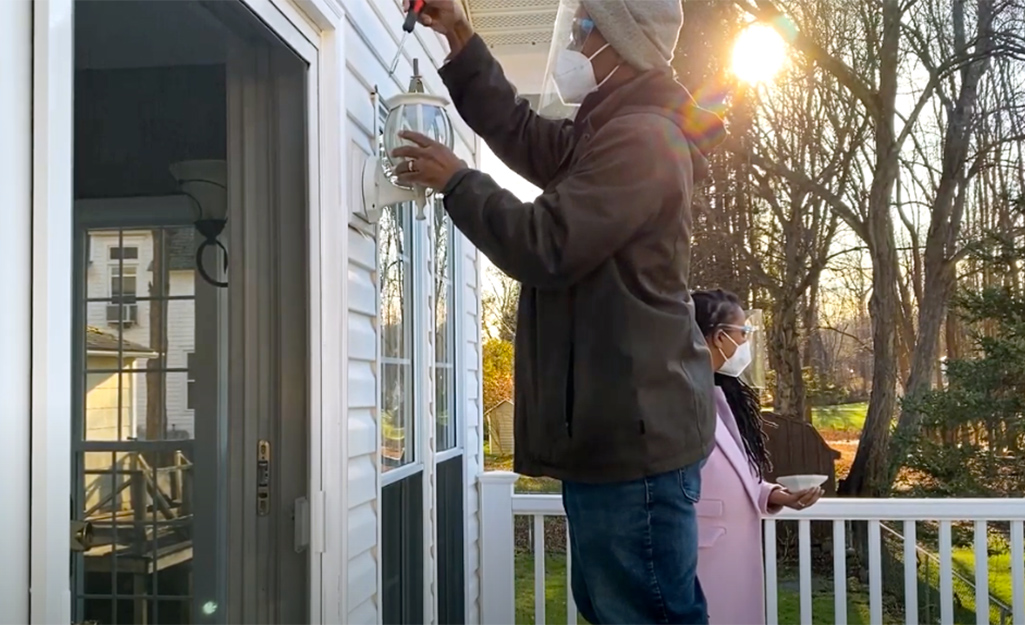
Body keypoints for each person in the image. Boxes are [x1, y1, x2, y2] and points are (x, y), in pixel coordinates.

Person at [392, 1, 725, 622]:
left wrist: (459, 182)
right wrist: (460, 35)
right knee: (615, 609)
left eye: (583, 29)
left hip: (634, 446)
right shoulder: (612, 130)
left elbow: (547, 244)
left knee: (640, 613)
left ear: (619, 44)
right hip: (620, 440)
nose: (572, 40)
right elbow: (523, 133)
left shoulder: (643, 140)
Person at [691, 289, 824, 625]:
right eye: (743, 333)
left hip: (730, 557)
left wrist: (776, 495)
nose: (747, 342)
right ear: (720, 337)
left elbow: (732, 475)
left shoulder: (722, 396)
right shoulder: (680, 398)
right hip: (700, 561)